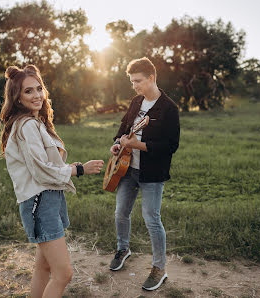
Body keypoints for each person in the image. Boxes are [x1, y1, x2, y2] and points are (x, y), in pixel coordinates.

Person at [0, 65, 104, 298]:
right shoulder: (26, 126)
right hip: (40, 201)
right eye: (28, 91)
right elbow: (41, 171)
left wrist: (67, 167)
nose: (37, 95)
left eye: (39, 89)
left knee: (44, 266)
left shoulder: (35, 123)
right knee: (63, 274)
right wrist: (78, 170)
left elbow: (45, 166)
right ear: (17, 97)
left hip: (48, 198)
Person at [108, 57, 180, 291]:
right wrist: (117, 143)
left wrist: (139, 146)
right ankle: (123, 249)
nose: (135, 86)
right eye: (131, 81)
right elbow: (123, 128)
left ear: (151, 77)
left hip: (152, 173)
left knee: (152, 219)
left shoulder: (169, 108)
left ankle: (160, 268)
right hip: (127, 169)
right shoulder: (136, 102)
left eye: (138, 81)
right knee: (121, 213)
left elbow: (170, 146)